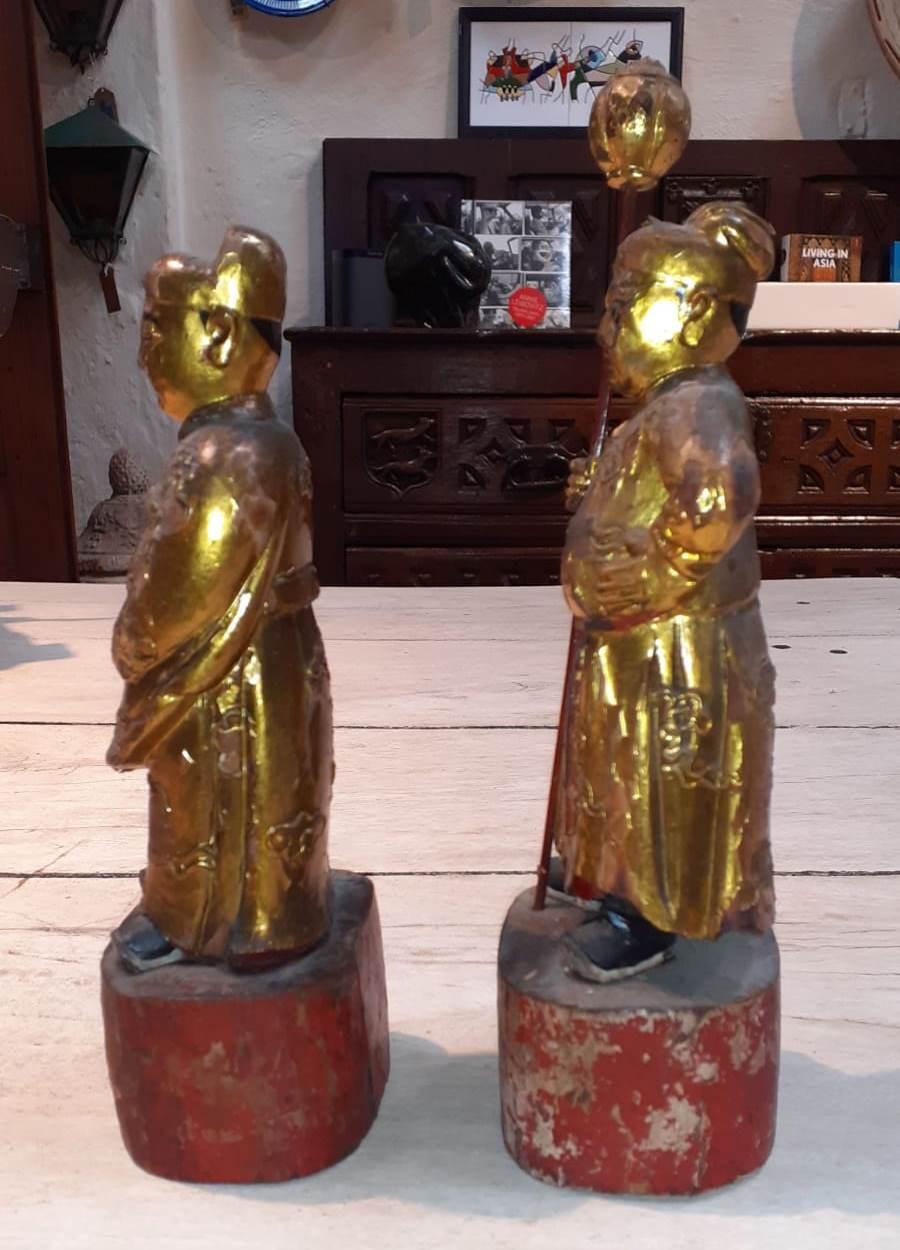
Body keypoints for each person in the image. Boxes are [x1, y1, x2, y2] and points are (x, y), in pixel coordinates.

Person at [553, 202, 777, 982]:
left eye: (622, 307)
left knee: (662, 783)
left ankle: (649, 913)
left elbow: (719, 499)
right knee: (622, 777)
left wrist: (639, 577)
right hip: (635, 648)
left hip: (673, 652)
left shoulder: (697, 406)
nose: (605, 329)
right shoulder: (663, 409)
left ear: (686, 312)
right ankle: (612, 884)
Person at [108, 227, 333, 973]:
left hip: (230, 681)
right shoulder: (264, 441)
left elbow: (181, 598)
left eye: (154, 327)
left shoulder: (224, 455)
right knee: (267, 800)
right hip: (276, 664)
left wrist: (134, 639)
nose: (144, 353)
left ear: (217, 332)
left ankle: (205, 920)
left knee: (216, 800)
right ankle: (265, 911)